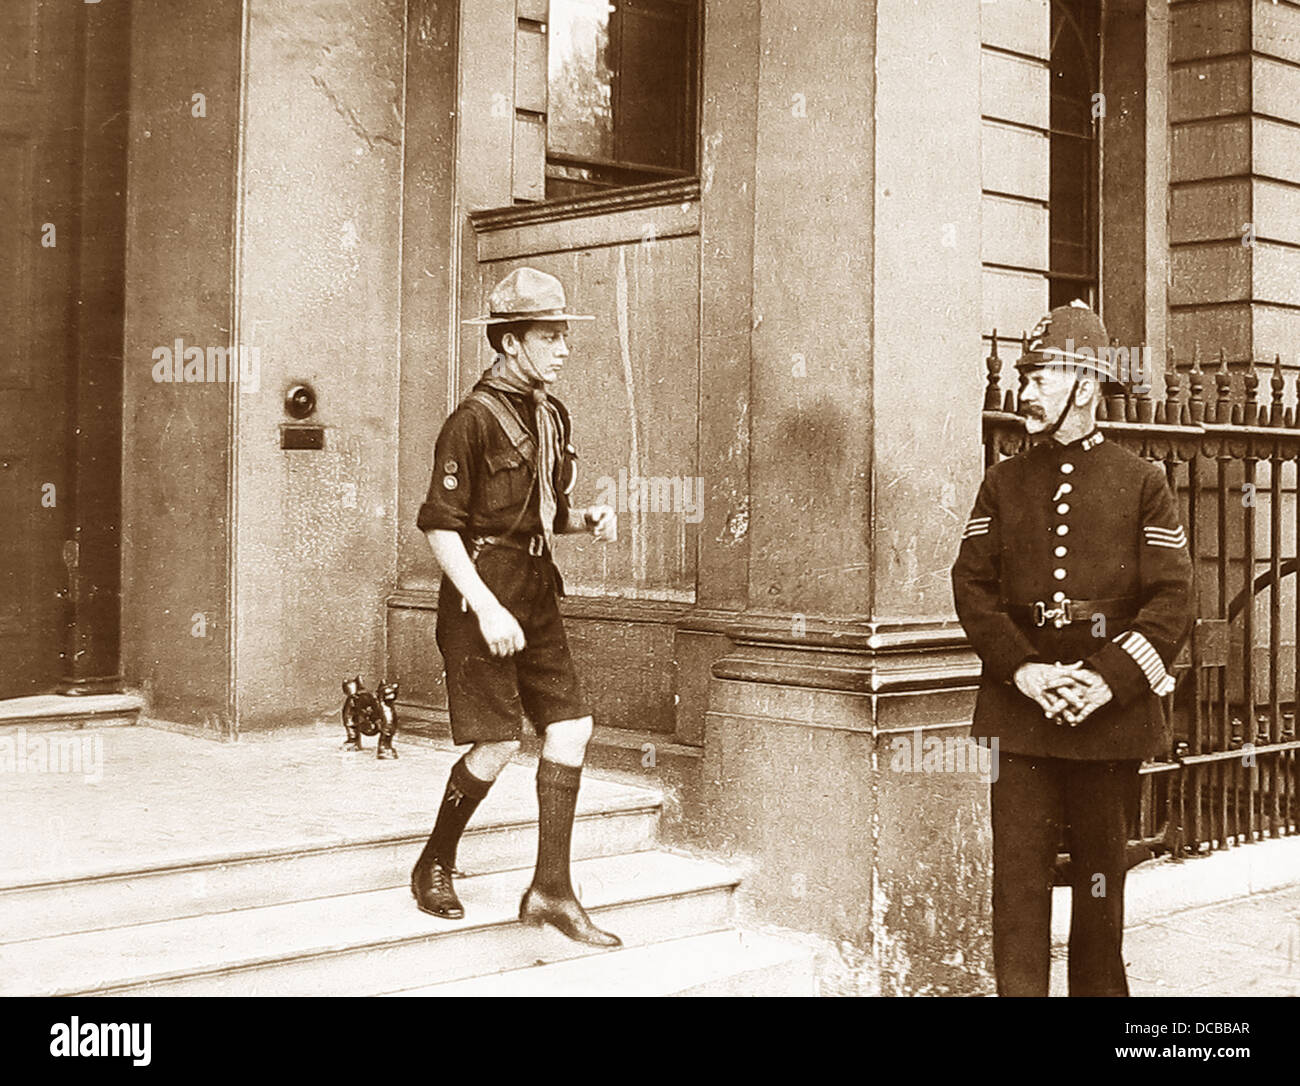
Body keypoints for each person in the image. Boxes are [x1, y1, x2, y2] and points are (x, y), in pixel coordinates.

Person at [951, 301, 1194, 996]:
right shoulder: (1002, 482)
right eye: (1023, 376)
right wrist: (1024, 671)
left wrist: (1106, 680)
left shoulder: (1141, 482)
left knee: (1098, 897)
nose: (1024, 392)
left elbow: (1173, 600)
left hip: (1107, 722)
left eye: (1039, 376)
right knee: (1017, 893)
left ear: (1084, 387)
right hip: (1020, 718)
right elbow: (972, 589)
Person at [411, 266, 621, 948]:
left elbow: (542, 515)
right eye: (547, 336)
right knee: (499, 742)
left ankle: (551, 891)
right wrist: (486, 607)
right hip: (481, 593)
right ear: (508, 343)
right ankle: (435, 860)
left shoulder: (550, 414)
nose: (562, 348)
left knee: (571, 728)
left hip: (534, 590)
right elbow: (443, 527)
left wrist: (583, 521)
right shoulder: (469, 423)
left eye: (563, 335)